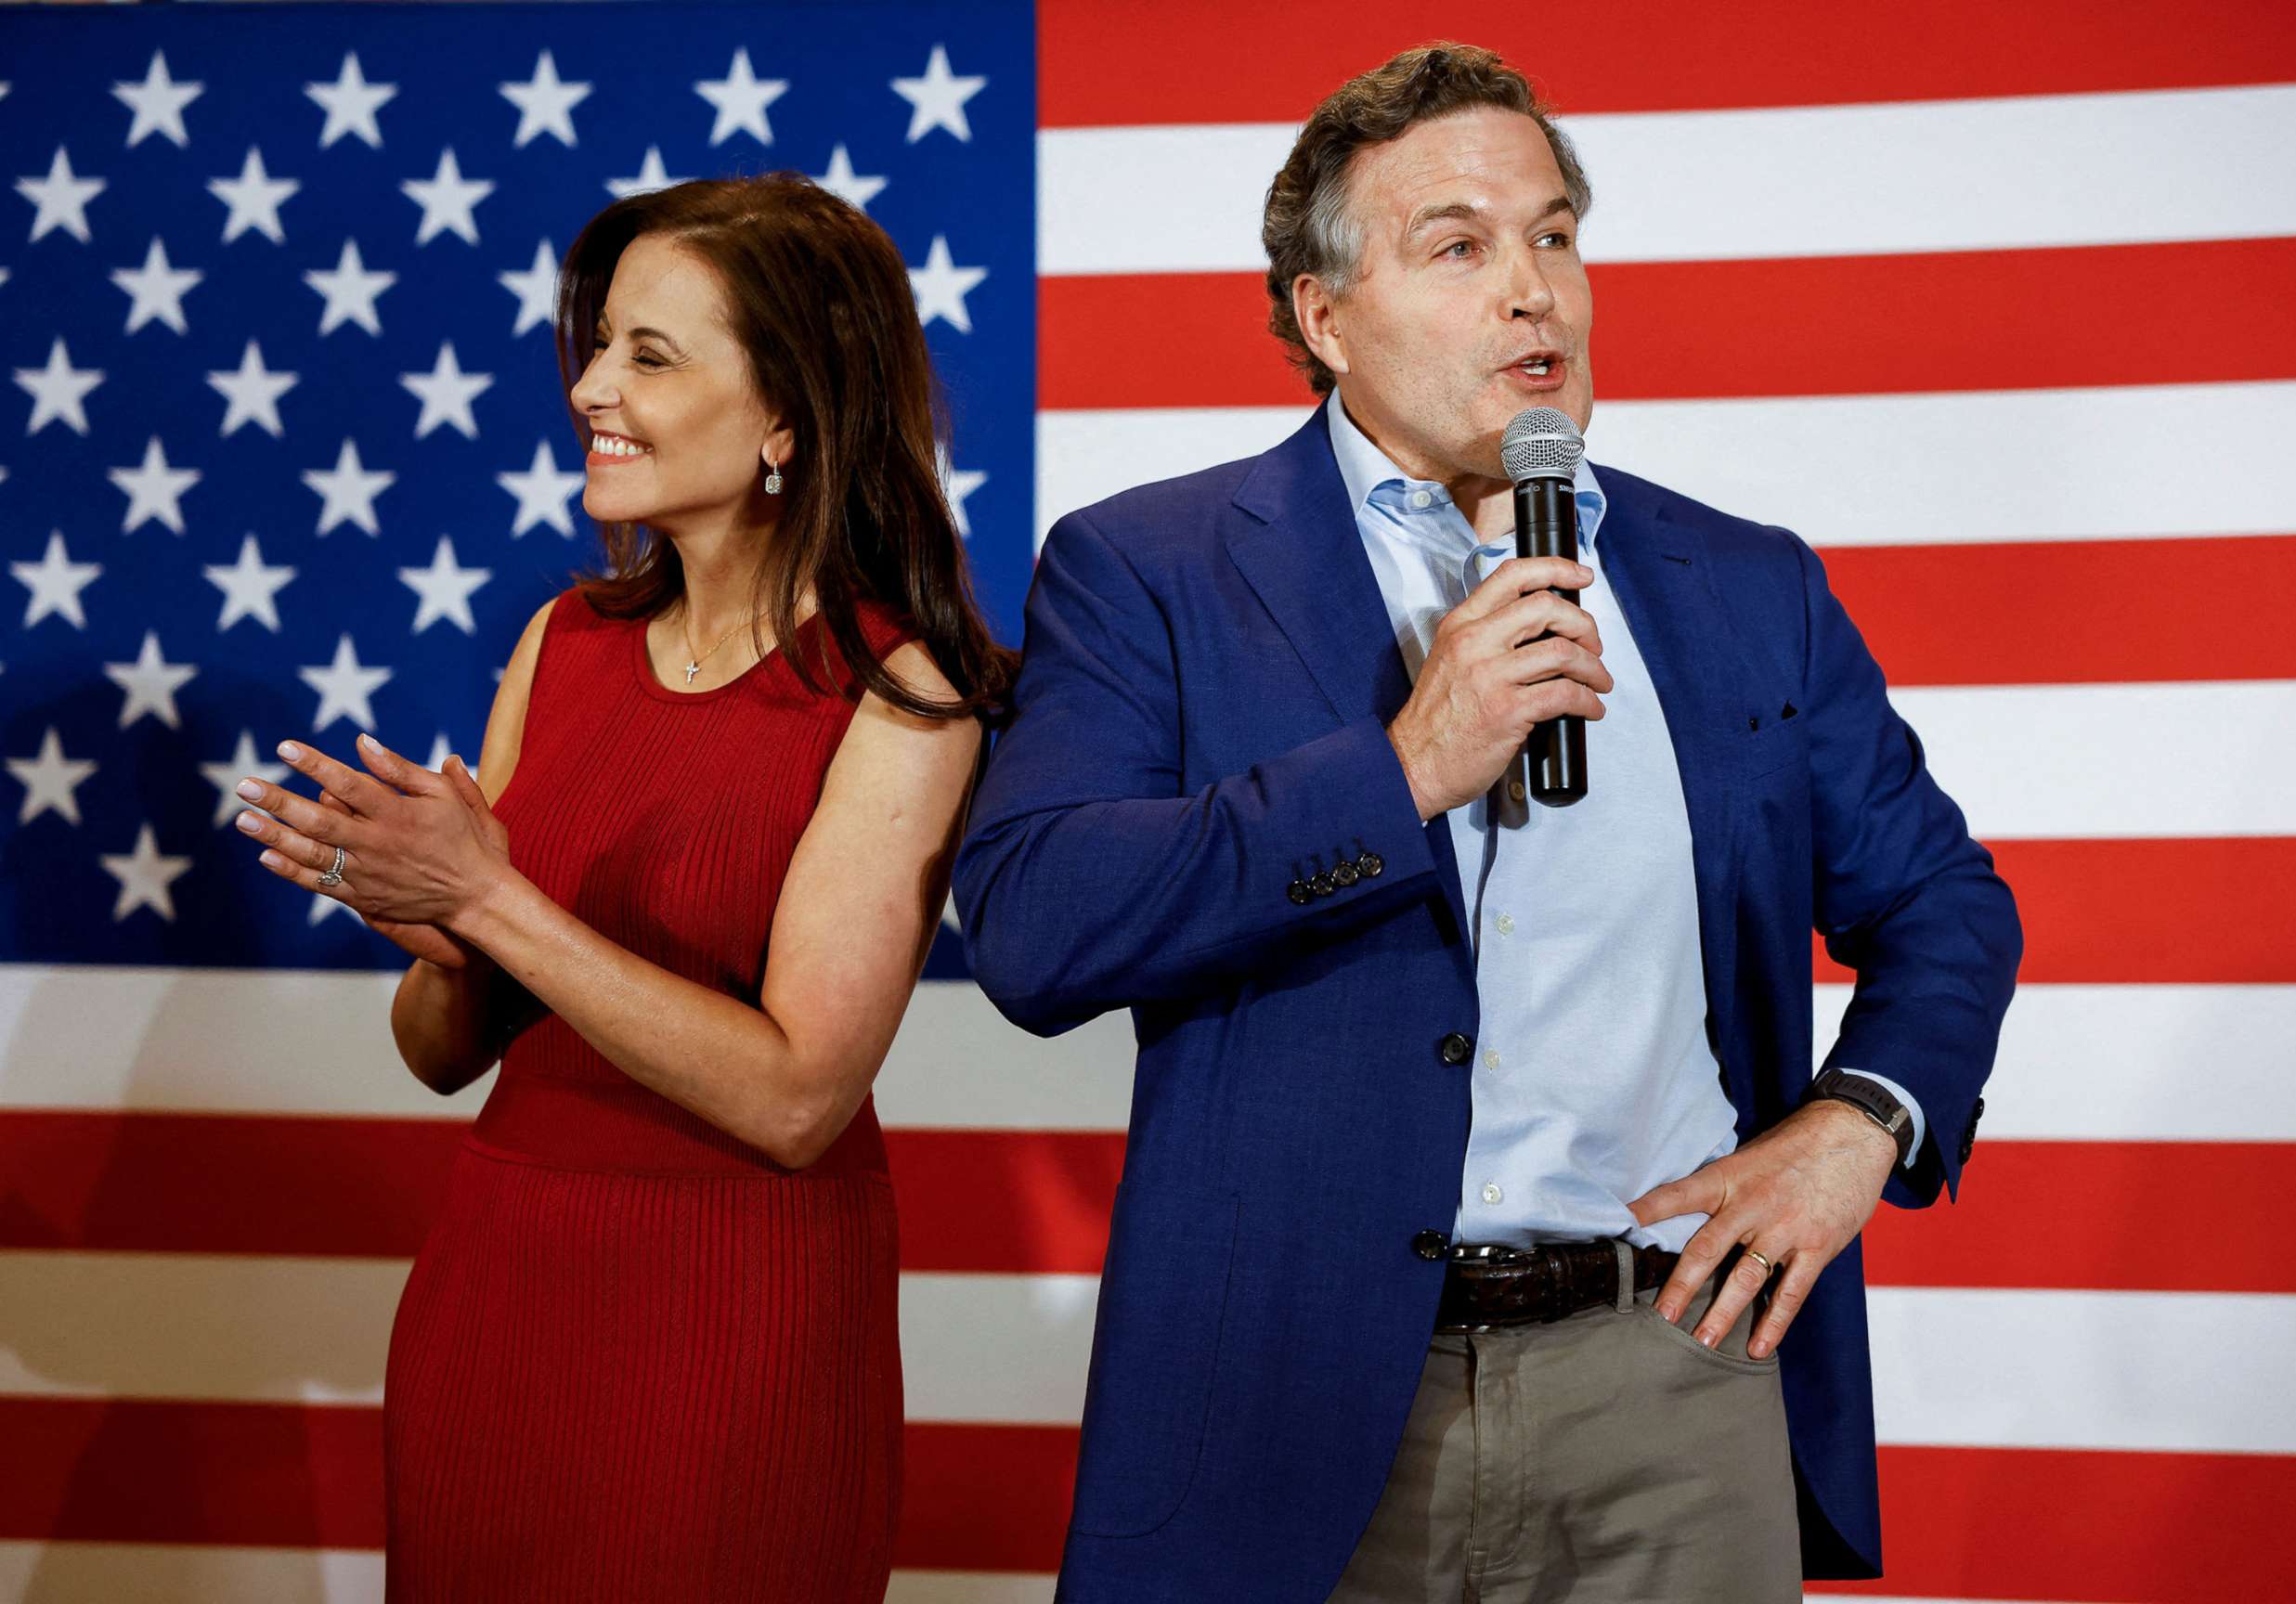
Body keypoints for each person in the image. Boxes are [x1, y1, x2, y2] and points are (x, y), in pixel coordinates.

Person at [952, 43, 2019, 1603]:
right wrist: (1398, 772)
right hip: (1294, 1398)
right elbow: (1037, 925)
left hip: (1672, 1371)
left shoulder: (1744, 582)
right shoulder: (1152, 568)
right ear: (1326, 319)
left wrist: (1866, 1120)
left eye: (1555, 235)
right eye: (1459, 246)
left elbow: (1945, 902)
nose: (1536, 292)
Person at [232, 173, 1011, 1600]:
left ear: (787, 414)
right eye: (599, 346)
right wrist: (442, 934)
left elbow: (794, 1099)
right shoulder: (566, 639)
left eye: (650, 354)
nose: (592, 384)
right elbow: (437, 1056)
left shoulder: (904, 694)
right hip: (500, 1295)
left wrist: (495, 902)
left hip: (735, 1323)